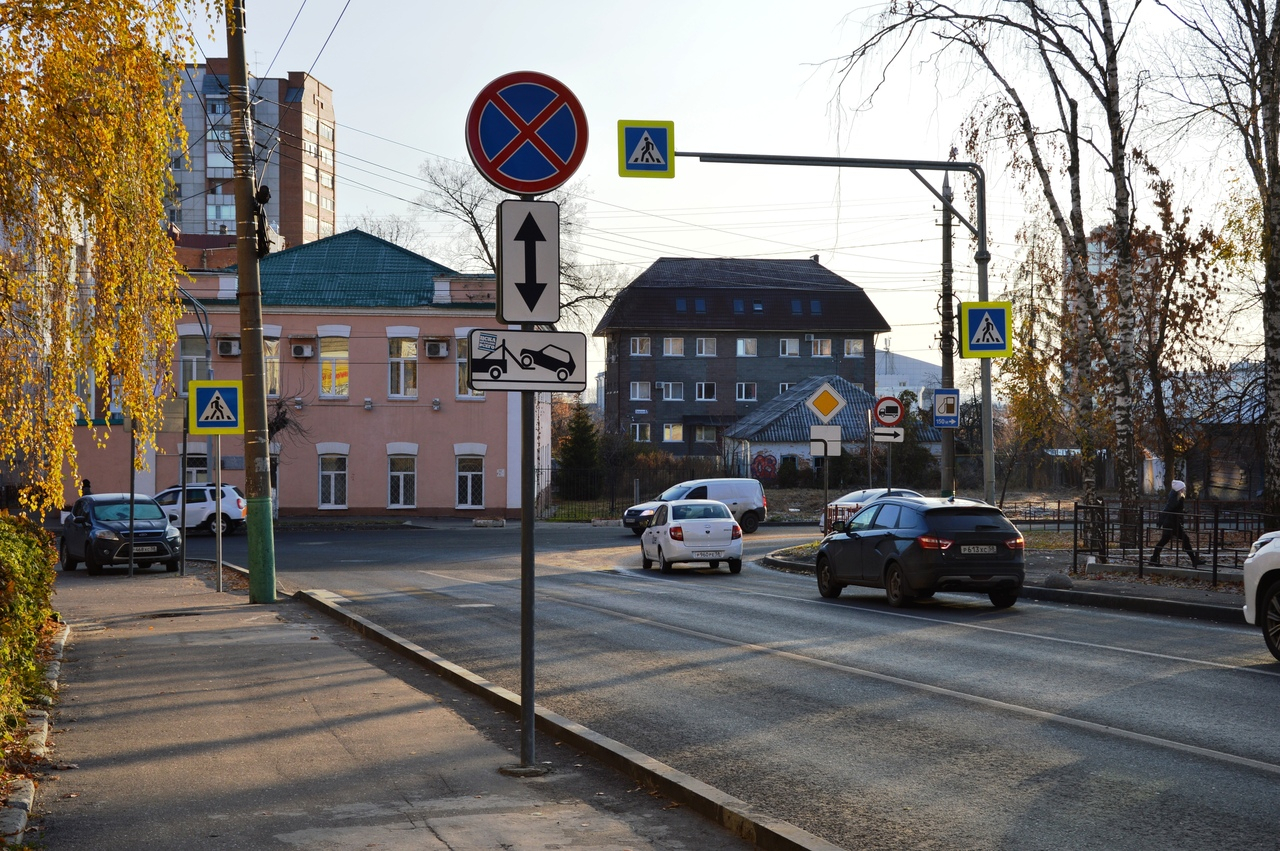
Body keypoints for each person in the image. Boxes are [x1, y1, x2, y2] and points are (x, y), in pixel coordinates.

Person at [1149, 480, 1202, 566]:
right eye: (1183, 488)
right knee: (1181, 540)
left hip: (1173, 523)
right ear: (1179, 489)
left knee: (1165, 541)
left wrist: (1182, 507)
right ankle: (1194, 560)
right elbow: (1168, 508)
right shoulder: (1174, 498)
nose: (1184, 490)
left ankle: (1153, 558)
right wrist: (1161, 519)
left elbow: (1176, 509)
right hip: (1171, 524)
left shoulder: (1177, 497)